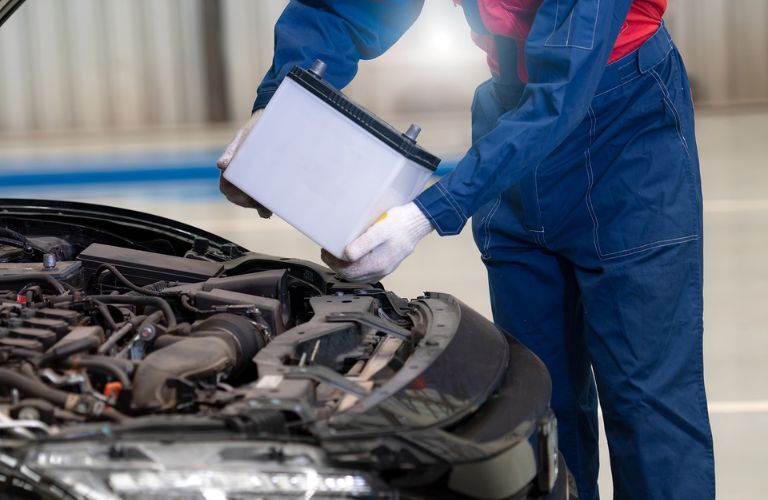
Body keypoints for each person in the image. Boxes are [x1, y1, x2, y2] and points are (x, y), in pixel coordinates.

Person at [217, 1, 715, 498]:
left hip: (626, 135)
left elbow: (566, 89)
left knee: (648, 406)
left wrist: (425, 215)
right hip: (514, 125)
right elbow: (345, 8)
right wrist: (280, 107)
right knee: (539, 402)